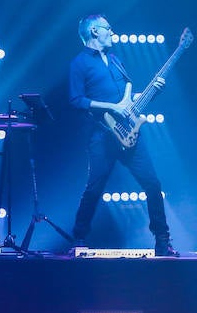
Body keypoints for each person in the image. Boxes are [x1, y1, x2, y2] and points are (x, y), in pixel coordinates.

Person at [68, 14, 177, 257]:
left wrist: (151, 94)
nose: (112, 31)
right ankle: (79, 238)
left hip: (130, 134)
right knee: (94, 188)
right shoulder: (80, 63)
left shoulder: (116, 60)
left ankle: (162, 240)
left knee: (153, 184)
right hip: (101, 136)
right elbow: (76, 100)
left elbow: (129, 101)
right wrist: (110, 107)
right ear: (95, 31)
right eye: (108, 28)